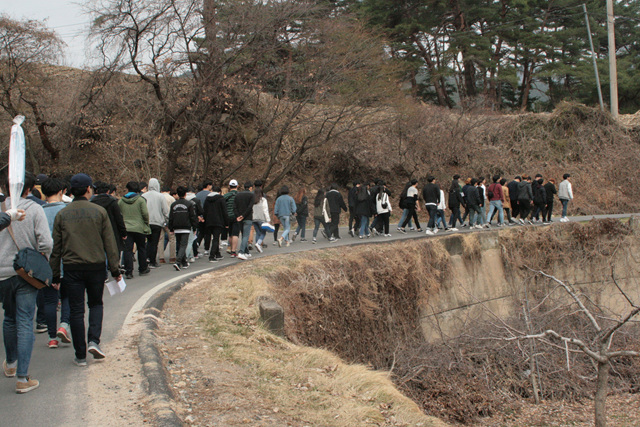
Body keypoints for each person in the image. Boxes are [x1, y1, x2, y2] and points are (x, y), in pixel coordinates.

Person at [50, 173, 121, 367]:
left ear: (71, 191)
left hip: (72, 268)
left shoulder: (62, 214)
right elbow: (109, 244)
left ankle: (80, 355)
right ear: (89, 189)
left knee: (76, 310)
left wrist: (55, 273)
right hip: (96, 266)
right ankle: (94, 341)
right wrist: (115, 270)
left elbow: (56, 248)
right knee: (96, 304)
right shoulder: (99, 212)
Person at [1, 172, 52, 393]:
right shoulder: (34, 209)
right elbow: (46, 242)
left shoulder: (2, 209)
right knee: (24, 320)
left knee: (9, 317)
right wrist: (42, 258)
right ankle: (22, 378)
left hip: (1, 273)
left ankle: (10, 363)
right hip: (25, 272)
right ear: (29, 189)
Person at [40, 178, 71, 349]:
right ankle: (64, 326)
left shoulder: (39, 212)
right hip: (66, 260)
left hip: (45, 262)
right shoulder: (66, 210)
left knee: (50, 301)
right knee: (67, 296)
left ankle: (52, 337)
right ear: (61, 191)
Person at [118, 181, 151, 279]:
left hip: (126, 228)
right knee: (141, 248)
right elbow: (145, 213)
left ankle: (129, 271)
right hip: (139, 227)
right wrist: (146, 223)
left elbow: (119, 215)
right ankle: (143, 268)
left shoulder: (121, 201)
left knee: (127, 250)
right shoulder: (141, 200)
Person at [168, 186, 198, 270]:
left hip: (176, 226)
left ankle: (184, 262)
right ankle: (178, 262)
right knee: (183, 245)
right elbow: (192, 217)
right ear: (185, 194)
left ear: (177, 194)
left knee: (179, 244)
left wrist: (171, 228)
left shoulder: (174, 204)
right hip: (186, 226)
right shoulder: (189, 204)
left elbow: (171, 217)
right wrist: (194, 227)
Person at [142, 178, 169, 268]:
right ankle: (152, 261)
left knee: (147, 241)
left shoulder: (144, 196)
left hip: (146, 222)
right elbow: (165, 210)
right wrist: (166, 220)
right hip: (157, 222)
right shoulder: (160, 196)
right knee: (154, 242)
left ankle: (146, 258)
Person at [203, 185, 228, 262]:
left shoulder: (207, 199)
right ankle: (212, 256)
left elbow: (204, 210)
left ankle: (217, 254)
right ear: (219, 192)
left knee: (211, 237)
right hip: (218, 220)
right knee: (216, 238)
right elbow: (224, 211)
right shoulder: (221, 199)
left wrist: (205, 219)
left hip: (208, 221)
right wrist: (226, 222)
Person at [233, 181, 255, 260]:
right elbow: (250, 207)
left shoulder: (238, 195)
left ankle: (246, 251)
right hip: (247, 217)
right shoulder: (252, 195)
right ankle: (241, 252)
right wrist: (243, 215)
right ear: (250, 188)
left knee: (243, 235)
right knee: (246, 235)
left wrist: (238, 216)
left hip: (239, 218)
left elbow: (234, 206)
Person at [223, 180, 240, 257]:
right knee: (235, 234)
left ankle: (229, 248)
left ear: (229, 187)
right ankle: (233, 251)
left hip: (227, 216)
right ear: (237, 186)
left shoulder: (225, 196)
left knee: (230, 234)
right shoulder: (239, 195)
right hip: (237, 216)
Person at [251, 187, 270, 253]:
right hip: (261, 218)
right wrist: (268, 219)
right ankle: (258, 243)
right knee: (263, 232)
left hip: (253, 218)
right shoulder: (263, 200)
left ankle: (258, 245)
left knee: (258, 232)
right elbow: (265, 210)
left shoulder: (253, 200)